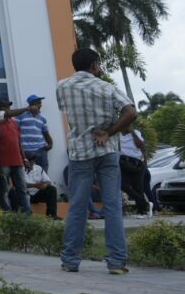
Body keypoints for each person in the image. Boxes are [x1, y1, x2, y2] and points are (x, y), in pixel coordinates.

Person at [57, 47, 137, 274]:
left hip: (80, 153)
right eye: (98, 65)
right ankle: (117, 262)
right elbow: (131, 113)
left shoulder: (62, 86)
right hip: (106, 152)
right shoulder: (107, 87)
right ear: (94, 65)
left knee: (77, 207)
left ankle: (71, 260)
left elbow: (69, 113)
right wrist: (109, 132)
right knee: (112, 206)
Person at [0, 99, 32, 215]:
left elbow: (19, 142)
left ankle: (27, 214)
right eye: (5, 107)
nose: (8, 109)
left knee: (22, 190)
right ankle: (7, 214)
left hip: (18, 162)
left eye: (8, 107)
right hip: (3, 163)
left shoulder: (13, 123)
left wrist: (25, 159)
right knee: (4, 191)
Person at [119, 129, 151, 218]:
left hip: (136, 162)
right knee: (123, 185)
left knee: (138, 187)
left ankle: (141, 211)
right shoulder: (117, 134)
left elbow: (140, 145)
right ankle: (144, 203)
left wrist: (132, 132)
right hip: (123, 161)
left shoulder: (136, 132)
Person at [16, 95, 54, 170]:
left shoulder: (42, 117)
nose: (40, 105)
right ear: (31, 104)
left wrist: (50, 144)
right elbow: (15, 131)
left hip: (41, 150)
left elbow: (45, 132)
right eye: (38, 103)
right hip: (26, 151)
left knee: (43, 173)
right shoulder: (21, 115)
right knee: (28, 174)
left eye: (40, 103)